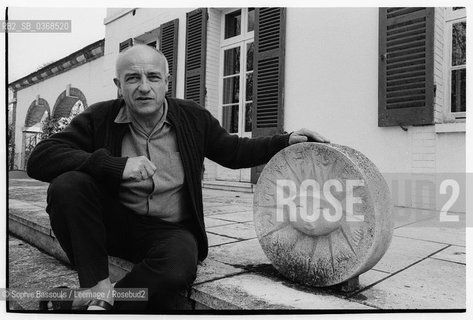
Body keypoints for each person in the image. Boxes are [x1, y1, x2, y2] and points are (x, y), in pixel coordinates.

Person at [27, 44, 329, 311]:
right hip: (114, 226)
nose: (144, 87)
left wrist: (285, 141)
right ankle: (95, 285)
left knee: (176, 270)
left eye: (153, 77)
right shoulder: (98, 117)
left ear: (166, 83)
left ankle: (106, 300)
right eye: (133, 78)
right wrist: (114, 166)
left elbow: (234, 151)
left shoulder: (192, 118)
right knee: (68, 185)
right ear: (119, 85)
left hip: (169, 232)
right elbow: (42, 158)